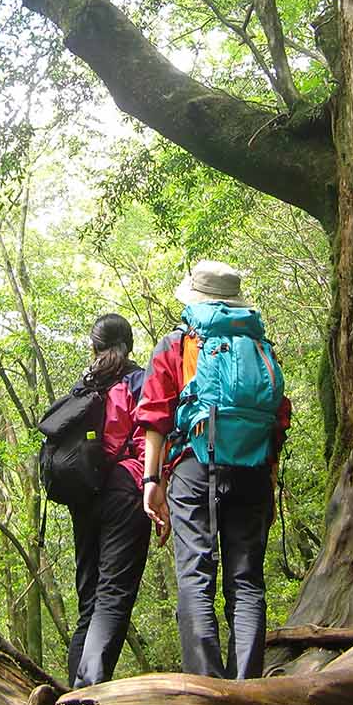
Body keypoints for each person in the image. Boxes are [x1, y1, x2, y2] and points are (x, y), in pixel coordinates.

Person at [137, 261, 290, 679]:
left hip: (194, 468)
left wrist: (152, 480)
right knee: (246, 581)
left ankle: (205, 689)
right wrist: (270, 476)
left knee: (195, 575)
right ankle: (247, 686)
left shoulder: (178, 343)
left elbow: (155, 416)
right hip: (254, 471)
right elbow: (279, 415)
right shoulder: (260, 345)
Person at [65, 313, 150, 688]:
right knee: (113, 592)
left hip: (83, 492)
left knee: (90, 597)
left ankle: (74, 690)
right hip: (125, 488)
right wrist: (154, 486)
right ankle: (88, 691)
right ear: (128, 344)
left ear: (94, 346)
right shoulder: (139, 381)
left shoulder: (86, 385)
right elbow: (150, 437)